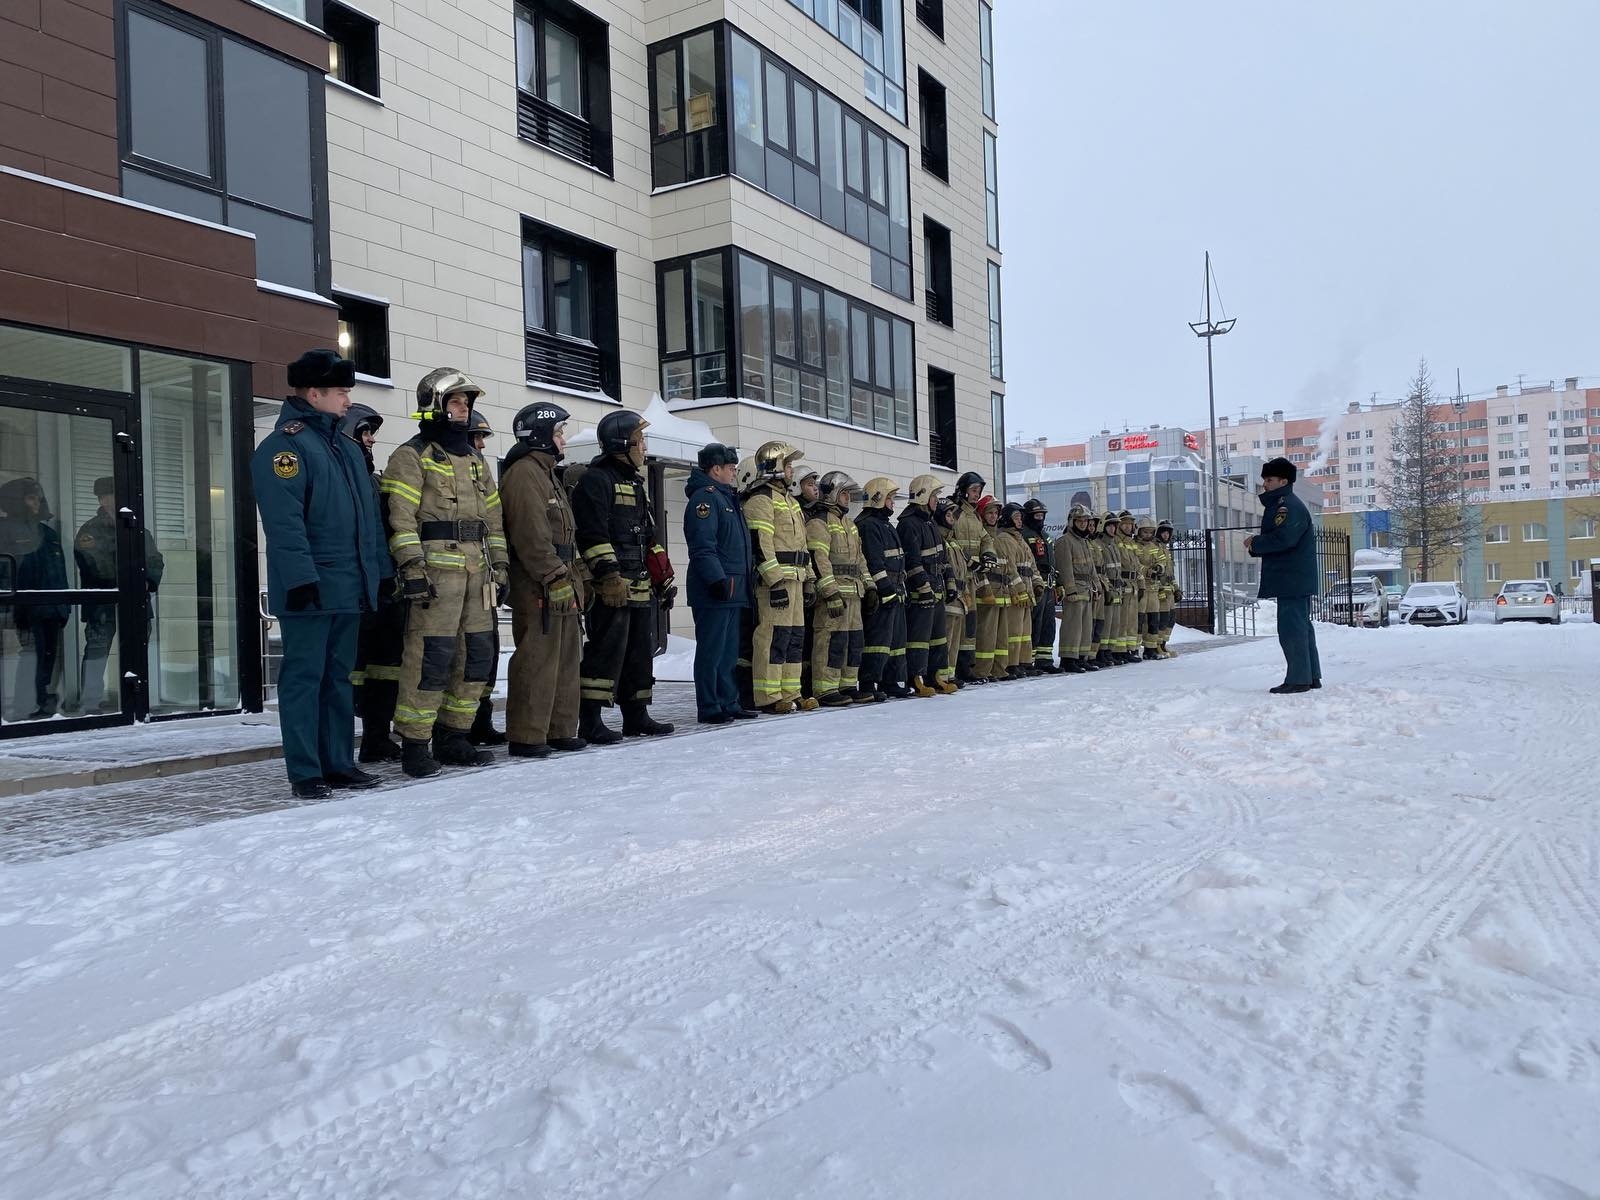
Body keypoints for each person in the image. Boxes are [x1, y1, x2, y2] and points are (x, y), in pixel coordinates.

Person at [252, 349, 387, 799]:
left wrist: (380, 574)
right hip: (310, 589)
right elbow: (284, 523)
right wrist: (300, 579)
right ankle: (306, 770)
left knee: (338, 678)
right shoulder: (284, 448)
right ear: (314, 393)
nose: (348, 400)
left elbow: (366, 522)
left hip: (347, 588)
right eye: (341, 392)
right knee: (304, 680)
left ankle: (338, 762)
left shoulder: (346, 448)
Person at [382, 368, 509, 778]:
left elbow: (494, 518)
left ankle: (455, 736)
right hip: (435, 577)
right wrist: (412, 567)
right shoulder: (411, 455)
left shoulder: (475, 460)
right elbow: (399, 519)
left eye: (467, 403)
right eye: (456, 402)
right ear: (434, 405)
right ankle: (416, 744)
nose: (464, 409)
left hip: (477, 574)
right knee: (430, 658)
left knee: (476, 656)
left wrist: (501, 566)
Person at [572, 410, 675, 741]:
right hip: (612, 588)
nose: (643, 446)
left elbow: (647, 534)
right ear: (622, 443)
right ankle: (590, 720)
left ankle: (637, 716)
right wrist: (609, 576)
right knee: (605, 654)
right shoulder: (596, 480)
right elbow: (592, 534)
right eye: (639, 440)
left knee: (639, 656)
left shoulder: (634, 481)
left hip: (641, 584)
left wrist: (663, 577)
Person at [500, 402, 590, 757]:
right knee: (537, 657)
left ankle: (559, 728)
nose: (563, 440)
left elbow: (567, 535)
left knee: (566, 657)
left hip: (560, 579)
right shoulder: (524, 474)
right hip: (538, 583)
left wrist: (578, 577)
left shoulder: (548, 473)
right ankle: (527, 734)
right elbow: (531, 535)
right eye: (558, 433)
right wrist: (554, 577)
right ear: (541, 435)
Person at [338, 406, 404, 761]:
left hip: (383, 587)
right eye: (365, 433)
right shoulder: (344, 478)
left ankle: (377, 737)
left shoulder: (372, 479)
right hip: (355, 589)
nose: (372, 439)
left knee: (385, 664)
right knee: (355, 670)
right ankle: (345, 743)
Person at [71, 475, 165, 713]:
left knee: (137, 651)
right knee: (96, 652)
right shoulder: (90, 530)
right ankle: (90, 703)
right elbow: (92, 563)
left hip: (135, 602)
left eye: (112, 495)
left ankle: (137, 700)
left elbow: (154, 559)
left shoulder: (136, 527)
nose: (109, 500)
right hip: (103, 602)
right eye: (106, 496)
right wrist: (128, 578)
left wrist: (147, 580)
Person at [683, 442, 759, 725]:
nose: (734, 472)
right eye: (730, 468)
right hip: (716, 589)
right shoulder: (706, 499)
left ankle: (728, 701)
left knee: (728, 652)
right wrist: (716, 579)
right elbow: (703, 546)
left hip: (733, 589)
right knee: (712, 651)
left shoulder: (727, 498)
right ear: (715, 469)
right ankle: (710, 704)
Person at [742, 441, 813, 713]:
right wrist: (774, 582)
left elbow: (802, 545)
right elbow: (761, 544)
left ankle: (790, 691)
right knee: (773, 637)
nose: (791, 470)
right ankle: (769, 696)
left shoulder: (791, 502)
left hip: (795, 578)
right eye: (788, 465)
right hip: (777, 582)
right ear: (774, 467)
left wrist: (808, 579)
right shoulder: (761, 499)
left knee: (794, 637)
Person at [1246, 457, 1322, 694]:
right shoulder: (1286, 504)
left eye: (1269, 480)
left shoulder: (1286, 506)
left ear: (1283, 480)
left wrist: (1254, 542)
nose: (1264, 485)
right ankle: (1309, 676)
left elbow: (1285, 539)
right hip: (1294, 578)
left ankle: (1299, 678)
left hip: (1291, 578)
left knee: (1292, 629)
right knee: (1301, 626)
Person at [1, 478, 69, 720]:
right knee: (30, 656)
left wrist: (64, 607)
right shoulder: (5, 530)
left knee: (45, 660)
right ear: (16, 500)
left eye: (38, 497)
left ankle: (40, 704)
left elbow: (59, 572)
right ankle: (24, 706)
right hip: (21, 607)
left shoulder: (47, 533)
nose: (36, 502)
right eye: (31, 497)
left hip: (51, 608)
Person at [806, 470, 869, 706]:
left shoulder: (849, 524)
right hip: (835, 595)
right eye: (844, 494)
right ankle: (826, 688)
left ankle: (847, 685)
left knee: (853, 641)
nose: (848, 499)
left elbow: (860, 558)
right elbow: (819, 559)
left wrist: (870, 586)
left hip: (854, 594)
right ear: (832, 493)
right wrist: (830, 592)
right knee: (831, 640)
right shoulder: (819, 521)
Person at [466, 407, 507, 747]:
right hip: (454, 576)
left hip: (484, 577)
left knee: (487, 652)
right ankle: (459, 727)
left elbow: (495, 525)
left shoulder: (482, 473)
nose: (480, 444)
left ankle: (481, 720)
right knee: (463, 655)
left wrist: (501, 569)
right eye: (476, 437)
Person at [856, 476, 907, 699]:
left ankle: (890, 680)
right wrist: (885, 589)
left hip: (895, 591)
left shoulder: (885, 525)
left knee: (894, 642)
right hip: (882, 593)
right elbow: (874, 562)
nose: (893, 503)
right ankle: (869, 683)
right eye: (890, 498)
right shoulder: (868, 525)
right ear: (878, 499)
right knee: (877, 641)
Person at [897, 475, 947, 698]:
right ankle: (916, 677)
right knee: (919, 638)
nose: (937, 500)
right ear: (924, 496)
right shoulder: (909, 524)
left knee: (938, 637)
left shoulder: (929, 522)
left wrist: (949, 583)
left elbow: (942, 557)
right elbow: (913, 562)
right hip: (921, 593)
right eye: (934, 495)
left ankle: (934, 676)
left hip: (936, 589)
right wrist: (923, 587)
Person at [950, 471, 996, 682]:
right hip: (958, 576)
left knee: (970, 624)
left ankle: (967, 667)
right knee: (958, 624)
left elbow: (986, 539)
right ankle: (956, 668)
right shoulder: (955, 513)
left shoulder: (975, 516)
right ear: (963, 491)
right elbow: (948, 539)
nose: (977, 495)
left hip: (972, 579)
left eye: (979, 491)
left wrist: (988, 554)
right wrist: (967, 559)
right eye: (973, 490)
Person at [935, 500, 975, 688]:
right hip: (947, 597)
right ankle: (941, 676)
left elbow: (964, 572)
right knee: (947, 638)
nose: (952, 519)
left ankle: (950, 675)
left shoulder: (953, 542)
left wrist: (966, 593)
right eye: (948, 515)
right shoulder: (940, 540)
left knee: (956, 640)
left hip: (960, 597)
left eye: (953, 516)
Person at [1052, 504, 1097, 673]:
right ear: (1072, 522)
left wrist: (1096, 585)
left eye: (1086, 521)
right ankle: (1068, 658)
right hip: (1075, 591)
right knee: (1073, 625)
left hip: (1086, 589)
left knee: (1085, 626)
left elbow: (1091, 568)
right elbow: (1065, 568)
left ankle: (1081, 656)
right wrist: (1070, 590)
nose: (1084, 524)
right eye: (1080, 521)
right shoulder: (1064, 541)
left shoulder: (1084, 542)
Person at [996, 502, 1039, 676]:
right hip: (1016, 593)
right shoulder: (1004, 539)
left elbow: (1032, 566)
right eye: (1016, 517)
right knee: (1013, 631)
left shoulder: (1020, 540)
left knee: (1025, 632)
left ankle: (1024, 661)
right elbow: (1010, 569)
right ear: (1007, 519)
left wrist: (1038, 584)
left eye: (1021, 517)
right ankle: (1011, 664)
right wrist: (1019, 590)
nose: (1020, 521)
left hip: (1026, 592)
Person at [1021, 498, 1060, 673]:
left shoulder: (1046, 536)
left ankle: (1045, 660)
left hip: (1049, 586)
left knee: (1048, 624)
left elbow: (1053, 562)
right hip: (1034, 587)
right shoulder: (1024, 534)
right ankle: (1029, 660)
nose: (1040, 519)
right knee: (1034, 625)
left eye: (1042, 515)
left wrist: (1058, 584)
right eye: (1036, 515)